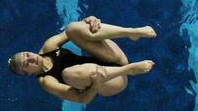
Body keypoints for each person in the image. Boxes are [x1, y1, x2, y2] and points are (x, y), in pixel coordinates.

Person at [8, 16, 156, 104]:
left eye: (27, 55)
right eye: (26, 64)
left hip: (113, 59)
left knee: (72, 28)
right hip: (112, 81)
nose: (31, 58)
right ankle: (130, 70)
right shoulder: (47, 81)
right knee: (68, 74)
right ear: (28, 74)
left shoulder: (48, 47)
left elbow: (79, 29)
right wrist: (96, 85)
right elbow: (81, 99)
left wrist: (90, 20)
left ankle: (131, 32)